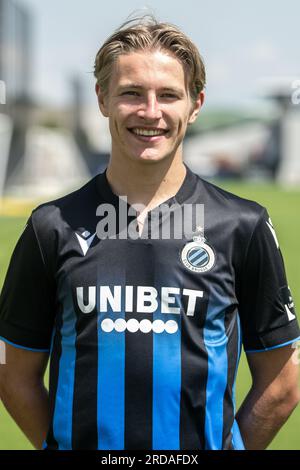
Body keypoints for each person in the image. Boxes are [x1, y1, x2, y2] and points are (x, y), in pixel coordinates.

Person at [0, 16, 299, 451]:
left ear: (195, 104)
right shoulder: (50, 227)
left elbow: (284, 378)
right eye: (131, 93)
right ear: (102, 99)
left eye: (169, 95)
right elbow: (13, 373)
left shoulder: (242, 226)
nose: (151, 112)